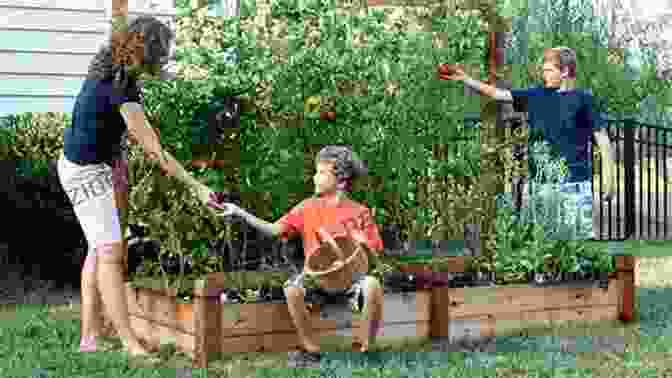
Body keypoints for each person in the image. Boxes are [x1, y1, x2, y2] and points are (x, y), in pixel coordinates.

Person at [56, 16, 221, 357]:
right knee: (111, 255)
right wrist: (197, 187)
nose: (161, 61)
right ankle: (131, 343)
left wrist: (117, 168)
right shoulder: (121, 87)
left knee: (98, 250)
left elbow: (101, 126)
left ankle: (90, 338)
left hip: (90, 166)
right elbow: (155, 150)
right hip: (85, 172)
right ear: (147, 52)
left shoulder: (109, 67)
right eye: (160, 54)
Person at [213, 145, 385, 361]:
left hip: (351, 279)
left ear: (341, 181)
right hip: (318, 280)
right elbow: (274, 229)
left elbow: (375, 256)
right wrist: (239, 212)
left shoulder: (360, 213)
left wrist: (363, 243)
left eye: (321, 173)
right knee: (292, 289)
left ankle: (367, 347)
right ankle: (310, 349)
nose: (315, 177)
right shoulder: (306, 208)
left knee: (372, 284)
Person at [439, 46, 616, 240]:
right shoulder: (536, 95)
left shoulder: (584, 100)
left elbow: (603, 141)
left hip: (573, 185)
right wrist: (465, 79)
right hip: (540, 185)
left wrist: (609, 180)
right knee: (541, 247)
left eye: (549, 70)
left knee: (578, 247)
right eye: (544, 70)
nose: (544, 74)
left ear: (565, 71)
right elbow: (498, 94)